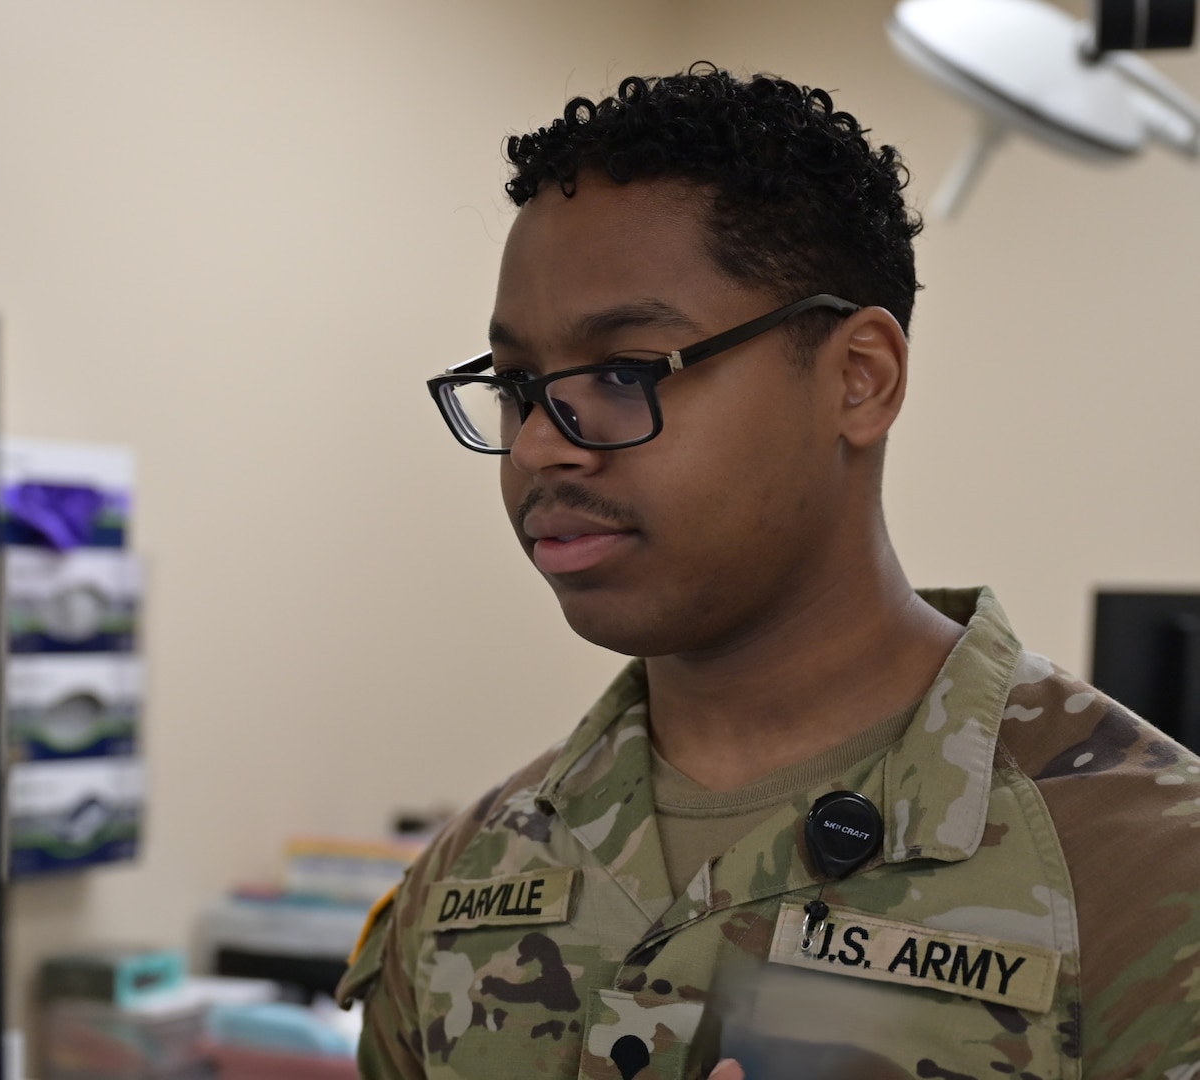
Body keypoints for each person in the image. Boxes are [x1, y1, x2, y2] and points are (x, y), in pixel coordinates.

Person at [335, 65, 1200, 1079]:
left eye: (622, 373)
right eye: (519, 388)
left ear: (858, 379)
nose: (537, 448)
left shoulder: (1149, 876)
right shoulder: (466, 876)